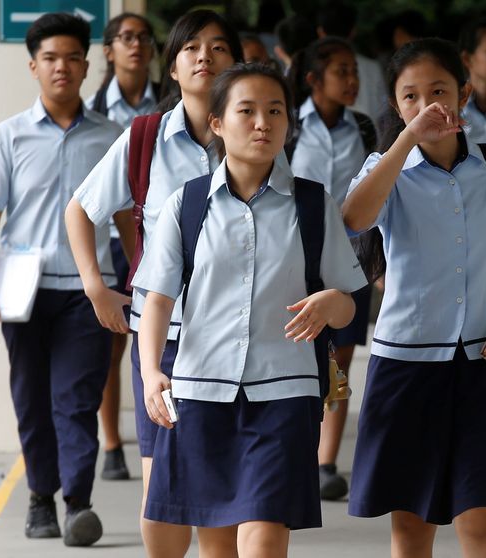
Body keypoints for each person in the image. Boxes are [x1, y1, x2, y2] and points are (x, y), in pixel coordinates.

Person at [135, 62, 368, 558]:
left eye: (275, 111)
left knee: (263, 538)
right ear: (217, 122)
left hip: (285, 393)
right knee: (216, 544)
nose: (263, 123)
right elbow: (156, 298)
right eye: (247, 111)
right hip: (200, 392)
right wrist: (152, 370)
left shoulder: (312, 204)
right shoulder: (188, 203)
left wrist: (332, 303)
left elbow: (349, 304)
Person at [343, 38, 486, 557]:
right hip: (406, 368)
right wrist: (406, 141)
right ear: (395, 106)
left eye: (438, 90)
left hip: (485, 363)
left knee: (481, 520)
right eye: (409, 97)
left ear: (461, 93)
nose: (426, 104)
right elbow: (354, 218)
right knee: (413, 528)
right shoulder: (385, 168)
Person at [65, 9, 243, 549]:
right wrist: (95, 285)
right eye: (191, 48)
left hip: (237, 338)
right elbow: (81, 208)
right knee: (162, 496)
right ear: (172, 67)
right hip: (161, 341)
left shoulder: (260, 132)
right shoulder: (144, 137)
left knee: (222, 493)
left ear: (238, 63)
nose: (204, 57)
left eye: (218, 48)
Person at [0, 13, 122, 547]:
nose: (62, 67)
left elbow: (127, 216)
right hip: (22, 295)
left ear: (86, 65)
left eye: (72, 57)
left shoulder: (111, 138)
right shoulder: (7, 137)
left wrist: (141, 279)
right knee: (32, 400)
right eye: (51, 58)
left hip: (86, 291)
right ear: (34, 66)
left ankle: (77, 501)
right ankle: (39, 499)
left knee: (75, 400)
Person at [286, 36, 375, 500]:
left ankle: (325, 462)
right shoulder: (290, 129)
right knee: (299, 353)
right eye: (341, 71)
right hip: (297, 261)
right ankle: (297, 452)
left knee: (339, 358)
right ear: (314, 80)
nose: (352, 80)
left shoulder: (362, 128)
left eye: (354, 71)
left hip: (351, 261)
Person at [85, 11, 158, 482]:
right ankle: (111, 442)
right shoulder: (93, 110)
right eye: (125, 38)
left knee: (148, 341)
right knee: (110, 345)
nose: (136, 45)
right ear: (109, 50)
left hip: (154, 242)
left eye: (143, 38)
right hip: (109, 240)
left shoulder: (169, 108)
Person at [316, 2, 387, 124]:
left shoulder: (312, 66)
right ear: (353, 31)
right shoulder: (372, 67)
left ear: (321, 32)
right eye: (342, 72)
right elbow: (382, 110)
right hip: (371, 138)